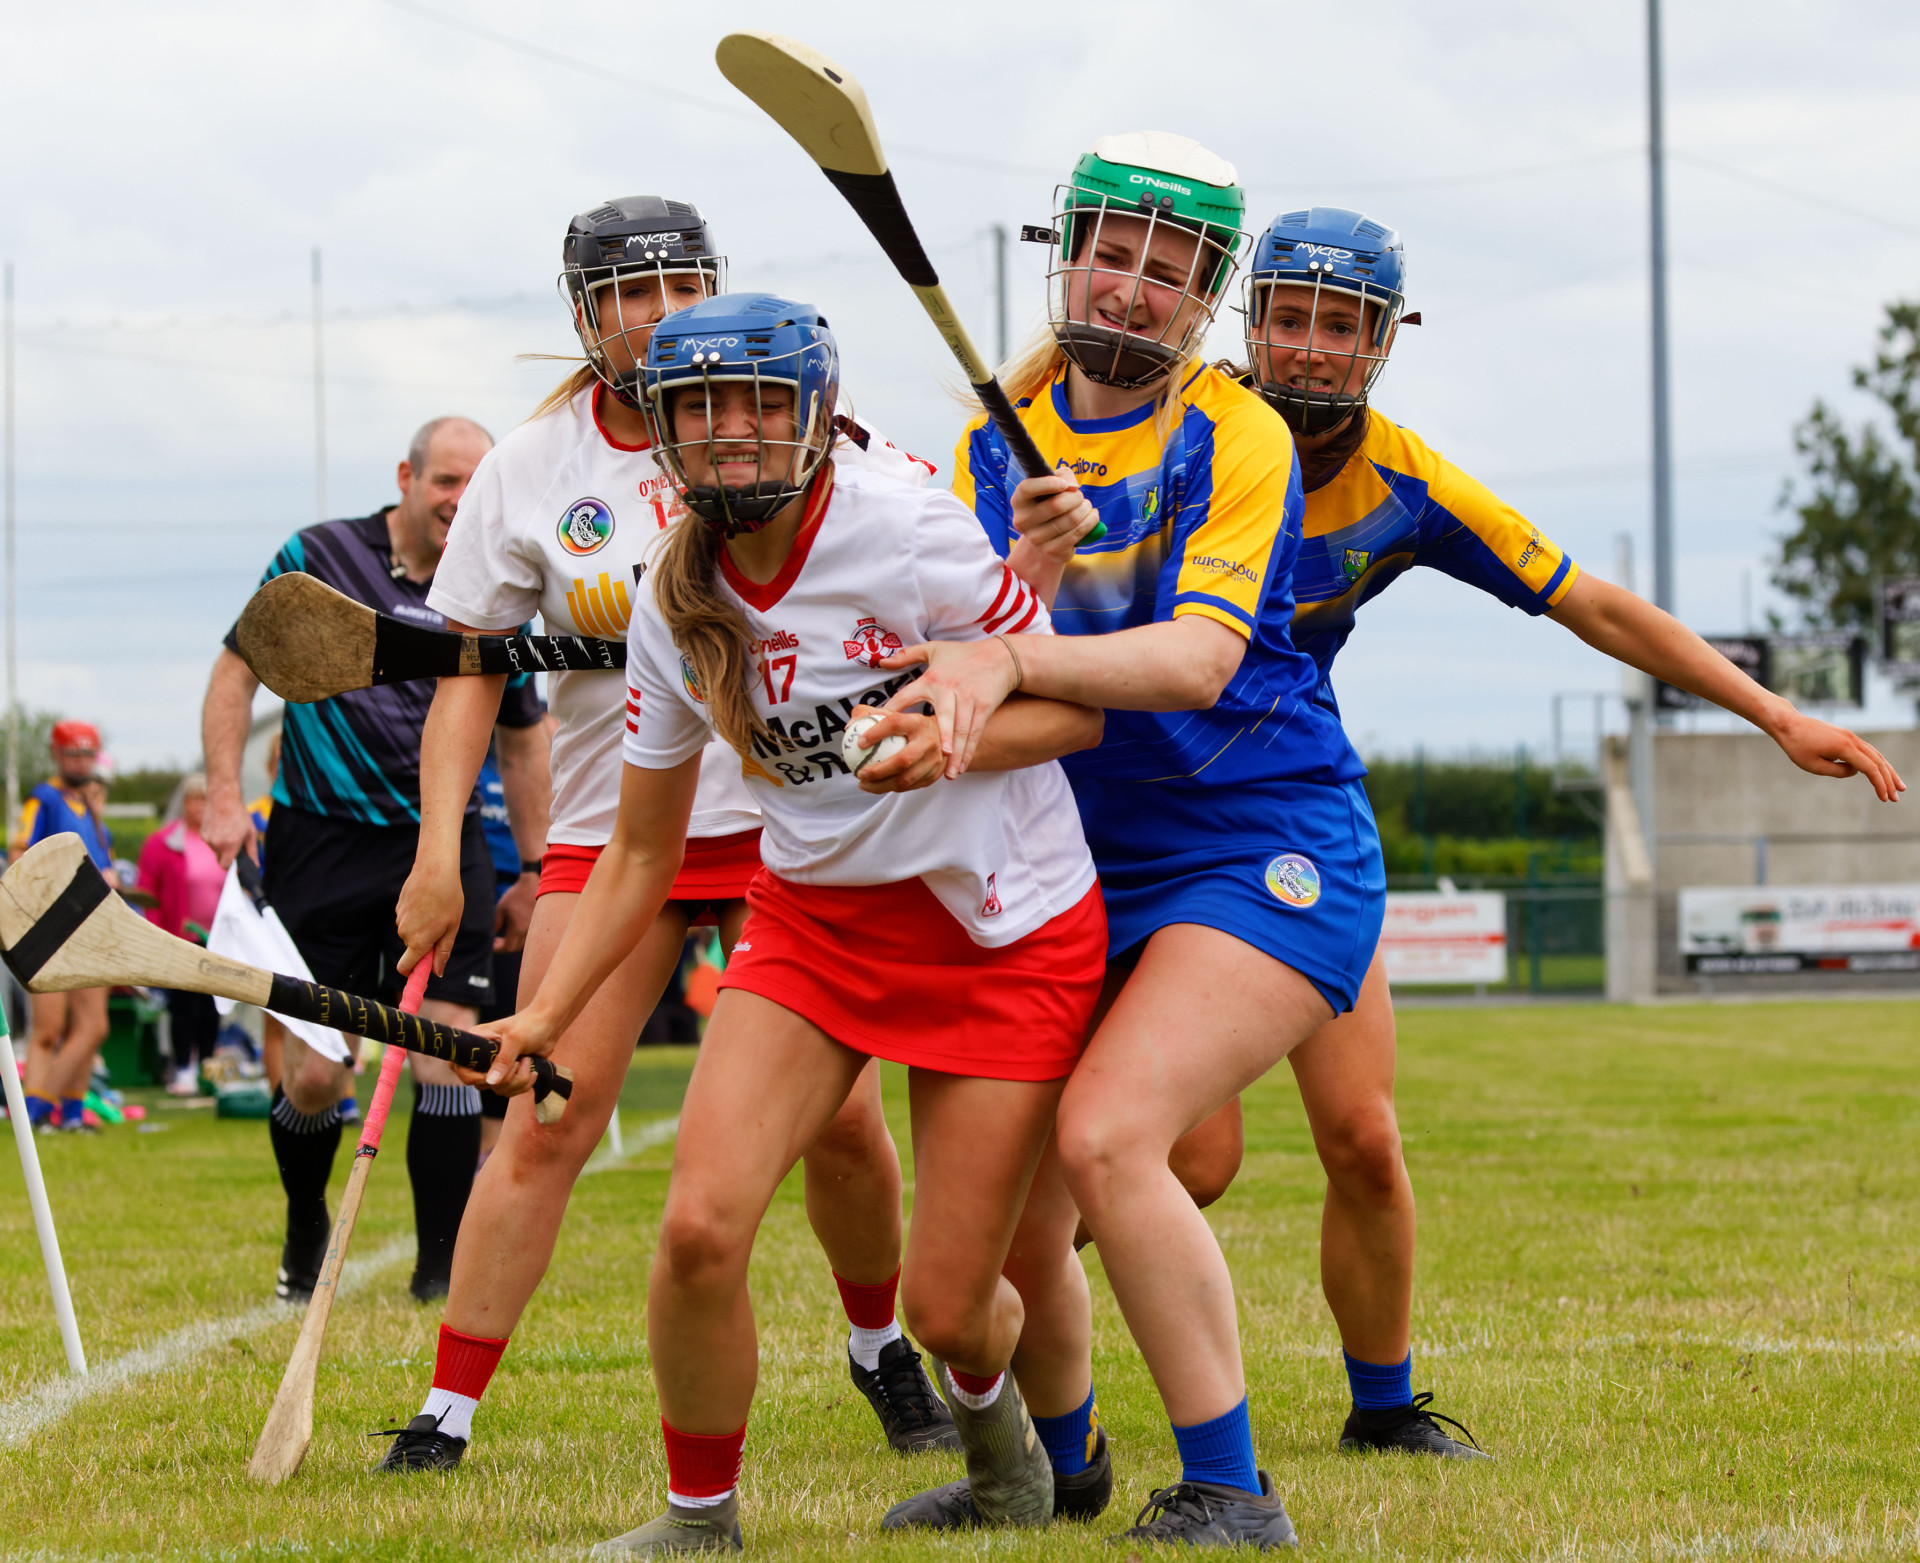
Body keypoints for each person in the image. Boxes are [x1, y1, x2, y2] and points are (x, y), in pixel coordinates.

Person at [1114, 205, 1908, 1458]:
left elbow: (1589, 600)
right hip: (1121, 826)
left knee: (1366, 1141)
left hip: (1281, 825)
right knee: (1187, 1159)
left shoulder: (1407, 483)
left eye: (1344, 325)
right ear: (1247, 320)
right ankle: (989, 1338)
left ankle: (1385, 1410)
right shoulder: (1172, 433)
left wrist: (1769, 711)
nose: (1312, 348)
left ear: (1383, 342)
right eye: (1291, 318)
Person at [469, 292, 1108, 1555]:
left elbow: (1075, 713)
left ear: (816, 417)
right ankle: (699, 1518)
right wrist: (546, 1010)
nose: (734, 434)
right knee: (700, 1230)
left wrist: (950, 740)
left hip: (1002, 927)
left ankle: (1005, 1452)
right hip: (814, 924)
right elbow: (642, 850)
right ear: (663, 430)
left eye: (762, 402)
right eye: (701, 408)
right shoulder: (668, 602)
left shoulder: (908, 529)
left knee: (949, 1305)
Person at [374, 198, 958, 1474]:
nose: (659, 314)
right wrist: (437, 853)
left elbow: (922, 549)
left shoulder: (782, 416)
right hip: (614, 824)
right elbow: (468, 672)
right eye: (629, 295)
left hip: (789, 821)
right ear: (583, 318)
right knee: (542, 1112)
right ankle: (447, 1408)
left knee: (846, 1125)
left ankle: (880, 1351)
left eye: (682, 284)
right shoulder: (530, 469)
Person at [888, 133, 1362, 1547]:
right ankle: (1069, 1463)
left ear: (1206, 294)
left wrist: (1012, 665)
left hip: (1262, 838)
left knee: (1108, 1136)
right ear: (1068, 253)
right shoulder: (992, 437)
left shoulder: (1238, 429)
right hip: (1069, 860)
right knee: (1014, 1210)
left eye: (1173, 269)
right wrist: (1022, 585)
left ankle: (1232, 1486)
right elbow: (971, 651)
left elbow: (1197, 662)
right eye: (1114, 253)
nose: (1137, 288)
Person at [201, 415, 553, 1305]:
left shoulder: (497, 584)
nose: (460, 501)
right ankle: (305, 1221)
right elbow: (234, 674)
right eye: (445, 482)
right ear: (406, 475)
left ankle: (438, 1267)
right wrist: (221, 794)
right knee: (317, 1071)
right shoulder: (315, 556)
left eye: (477, 485)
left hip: (446, 841)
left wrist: (535, 867)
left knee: (446, 1053)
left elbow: (523, 740)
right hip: (322, 840)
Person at [12, 719, 115, 1131]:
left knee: (93, 1026)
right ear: (57, 754)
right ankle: (38, 1111)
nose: (80, 761)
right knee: (49, 1029)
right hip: (52, 925)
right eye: (73, 753)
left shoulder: (90, 809)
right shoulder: (44, 799)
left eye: (88, 753)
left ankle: (70, 1111)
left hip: (94, 924)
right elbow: (20, 852)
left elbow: (102, 865)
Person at [136, 773, 226, 1095]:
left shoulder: (223, 839)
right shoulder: (162, 844)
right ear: (185, 804)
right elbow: (148, 894)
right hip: (181, 938)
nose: (199, 807)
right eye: (194, 800)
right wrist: (159, 935)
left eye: (205, 800)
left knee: (214, 1006)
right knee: (184, 1007)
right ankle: (184, 1068)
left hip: (218, 939)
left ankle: (207, 1066)